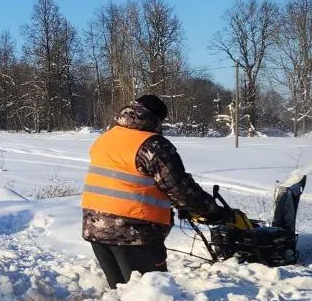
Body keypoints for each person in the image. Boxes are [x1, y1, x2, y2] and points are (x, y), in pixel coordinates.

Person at [81, 95, 248, 289]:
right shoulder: (152, 145)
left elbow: (128, 181)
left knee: (122, 295)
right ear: (157, 119)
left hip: (95, 228)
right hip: (135, 233)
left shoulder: (106, 138)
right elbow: (180, 188)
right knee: (151, 296)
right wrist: (215, 213)